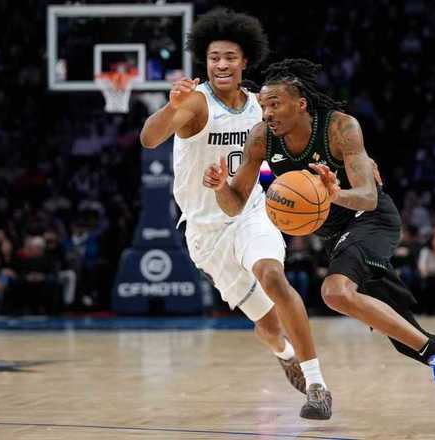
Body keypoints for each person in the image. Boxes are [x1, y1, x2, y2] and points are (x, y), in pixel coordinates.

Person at [203, 58, 435, 432]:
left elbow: (368, 196)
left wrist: (334, 193)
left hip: (372, 220)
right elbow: (234, 204)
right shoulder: (262, 138)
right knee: (405, 337)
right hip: (339, 236)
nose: (267, 113)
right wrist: (221, 188)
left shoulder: (340, 128)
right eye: (263, 106)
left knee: (335, 292)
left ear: (300, 103)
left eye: (275, 104)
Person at [139, 10, 331, 419]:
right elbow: (150, 138)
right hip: (206, 232)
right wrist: (170, 108)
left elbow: (293, 143)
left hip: (250, 210)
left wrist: (322, 170)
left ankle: (317, 385)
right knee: (268, 325)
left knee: (273, 276)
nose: (221, 65)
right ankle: (284, 353)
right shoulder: (195, 101)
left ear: (245, 61)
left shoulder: (260, 105)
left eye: (229, 57)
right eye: (214, 58)